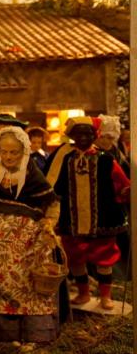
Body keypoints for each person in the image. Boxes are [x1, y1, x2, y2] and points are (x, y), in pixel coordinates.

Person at [0, 127, 60, 342]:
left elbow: (52, 203)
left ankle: (33, 334)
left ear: (24, 151)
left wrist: (49, 223)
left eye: (14, 152)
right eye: (4, 151)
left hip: (27, 243)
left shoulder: (32, 174)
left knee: (28, 285)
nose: (8, 156)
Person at [47, 118, 129, 310]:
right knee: (74, 255)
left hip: (102, 218)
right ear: (72, 137)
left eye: (88, 134)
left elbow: (122, 182)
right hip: (72, 218)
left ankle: (105, 296)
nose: (83, 138)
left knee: (104, 255)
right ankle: (83, 293)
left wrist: (126, 191)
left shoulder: (106, 160)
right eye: (79, 134)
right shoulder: (67, 159)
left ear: (95, 136)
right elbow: (58, 186)